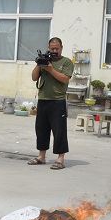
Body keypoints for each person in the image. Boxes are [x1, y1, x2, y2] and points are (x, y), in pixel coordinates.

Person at [28, 37, 74, 170]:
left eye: (57, 49)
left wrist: (50, 69)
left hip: (57, 101)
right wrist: (39, 63)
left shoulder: (66, 62)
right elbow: (34, 77)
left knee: (59, 131)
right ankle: (41, 157)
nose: (54, 51)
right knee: (41, 130)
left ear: (61, 48)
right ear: (48, 48)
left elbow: (65, 79)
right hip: (43, 100)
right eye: (52, 49)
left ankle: (60, 159)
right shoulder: (45, 61)